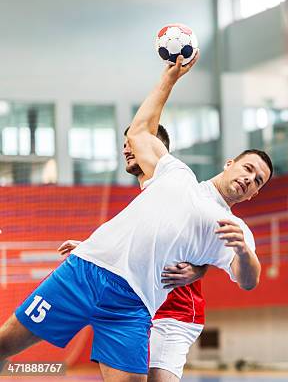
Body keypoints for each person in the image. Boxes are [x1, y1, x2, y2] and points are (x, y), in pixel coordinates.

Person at [0, 53, 273, 382]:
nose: (249, 178)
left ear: (254, 194)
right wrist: (168, 79)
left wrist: (243, 251)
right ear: (230, 164)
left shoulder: (234, 231)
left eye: (257, 180)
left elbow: (248, 281)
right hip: (85, 272)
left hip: (133, 304)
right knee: (5, 343)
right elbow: (140, 132)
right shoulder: (174, 172)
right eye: (248, 168)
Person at [58, 124, 209, 382]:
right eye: (125, 143)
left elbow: (211, 233)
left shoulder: (180, 187)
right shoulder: (145, 199)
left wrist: (199, 269)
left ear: (155, 150)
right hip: (140, 310)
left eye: (133, 143)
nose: (127, 149)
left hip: (175, 312)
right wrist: (88, 249)